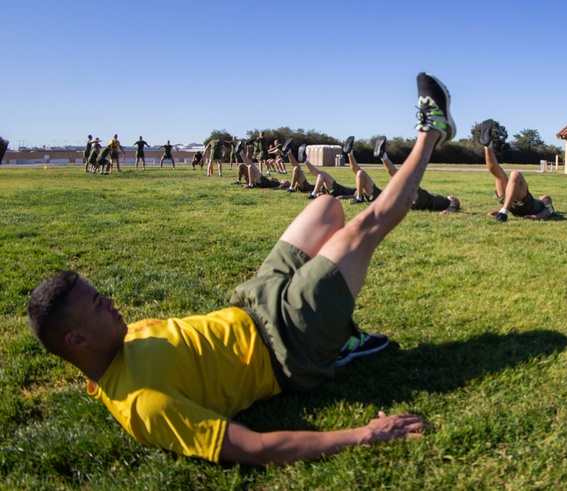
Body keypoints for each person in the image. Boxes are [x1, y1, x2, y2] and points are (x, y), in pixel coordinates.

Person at [26, 72, 455, 465]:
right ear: (77, 338)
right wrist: (366, 434)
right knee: (366, 225)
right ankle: (432, 132)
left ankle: (342, 328)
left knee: (326, 207)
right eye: (99, 304)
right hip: (288, 340)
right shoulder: (144, 405)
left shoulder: (113, 345)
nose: (113, 303)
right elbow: (252, 447)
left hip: (254, 298)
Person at [480, 121, 554, 221]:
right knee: (498, 174)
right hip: (511, 203)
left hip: (526, 205)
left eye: (547, 198)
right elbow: (514, 209)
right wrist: (500, 210)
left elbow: (549, 211)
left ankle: (503, 213)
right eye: (546, 196)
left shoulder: (542, 205)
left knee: (515, 174)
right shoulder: (536, 201)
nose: (545, 196)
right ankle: (488, 146)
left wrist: (536, 216)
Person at [373, 136, 459, 214]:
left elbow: (454, 205)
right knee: (400, 178)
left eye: (453, 197)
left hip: (424, 199)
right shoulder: (443, 200)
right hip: (420, 200)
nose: (452, 196)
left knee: (403, 177)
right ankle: (383, 157)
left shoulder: (450, 202)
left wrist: (447, 211)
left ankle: (383, 156)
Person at [283, 141, 358, 198]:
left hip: (336, 190)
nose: (284, 181)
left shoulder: (356, 191)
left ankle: (313, 194)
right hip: (330, 189)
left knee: (321, 174)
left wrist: (342, 197)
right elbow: (356, 196)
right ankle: (301, 158)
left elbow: (354, 196)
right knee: (317, 173)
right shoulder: (357, 191)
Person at [340, 136, 382, 203]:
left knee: (359, 173)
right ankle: (349, 153)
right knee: (359, 172)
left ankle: (359, 199)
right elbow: (352, 196)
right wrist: (342, 197)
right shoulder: (359, 189)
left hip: (377, 195)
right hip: (370, 194)